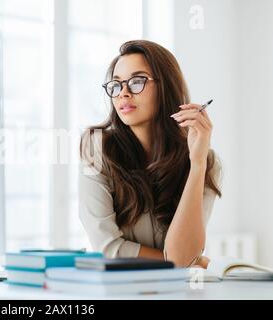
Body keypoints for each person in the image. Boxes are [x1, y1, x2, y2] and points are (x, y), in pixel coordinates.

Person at [79, 40, 222, 268]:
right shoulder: (96, 149)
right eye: (116, 85)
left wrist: (196, 165)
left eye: (137, 82)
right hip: (121, 291)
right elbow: (108, 248)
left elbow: (185, 255)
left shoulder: (207, 161)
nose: (123, 93)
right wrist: (181, 262)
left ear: (166, 85)